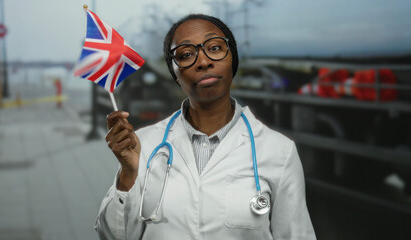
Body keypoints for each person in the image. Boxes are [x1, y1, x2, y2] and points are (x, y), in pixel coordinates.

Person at [95, 13, 316, 240]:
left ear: (233, 59)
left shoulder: (278, 151)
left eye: (215, 48)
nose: (203, 61)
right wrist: (128, 175)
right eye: (187, 54)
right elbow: (112, 236)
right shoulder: (144, 145)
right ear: (175, 74)